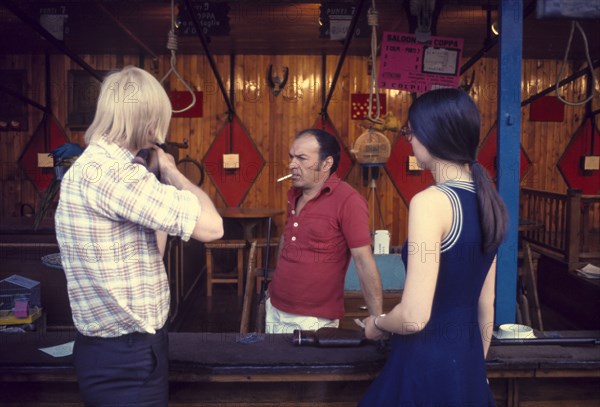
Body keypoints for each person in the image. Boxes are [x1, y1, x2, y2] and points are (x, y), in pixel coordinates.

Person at [55, 66, 223, 406]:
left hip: (112, 352)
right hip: (126, 359)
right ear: (148, 119)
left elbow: (149, 254)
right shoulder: (117, 175)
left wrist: (153, 181)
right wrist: (173, 172)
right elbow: (213, 226)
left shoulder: (91, 166)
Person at [359, 88, 508, 406]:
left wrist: (377, 323)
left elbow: (413, 317)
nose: (408, 140)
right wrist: (474, 371)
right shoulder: (489, 201)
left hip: (425, 364)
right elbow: (486, 304)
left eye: (410, 131)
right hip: (467, 365)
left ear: (433, 134)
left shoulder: (431, 202)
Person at [266, 128, 384, 334]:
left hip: (314, 319)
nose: (292, 164)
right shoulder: (293, 194)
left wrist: (376, 319)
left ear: (327, 163)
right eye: (291, 157)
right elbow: (287, 240)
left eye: (302, 158)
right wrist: (273, 288)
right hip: (275, 307)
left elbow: (363, 261)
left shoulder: (349, 201)